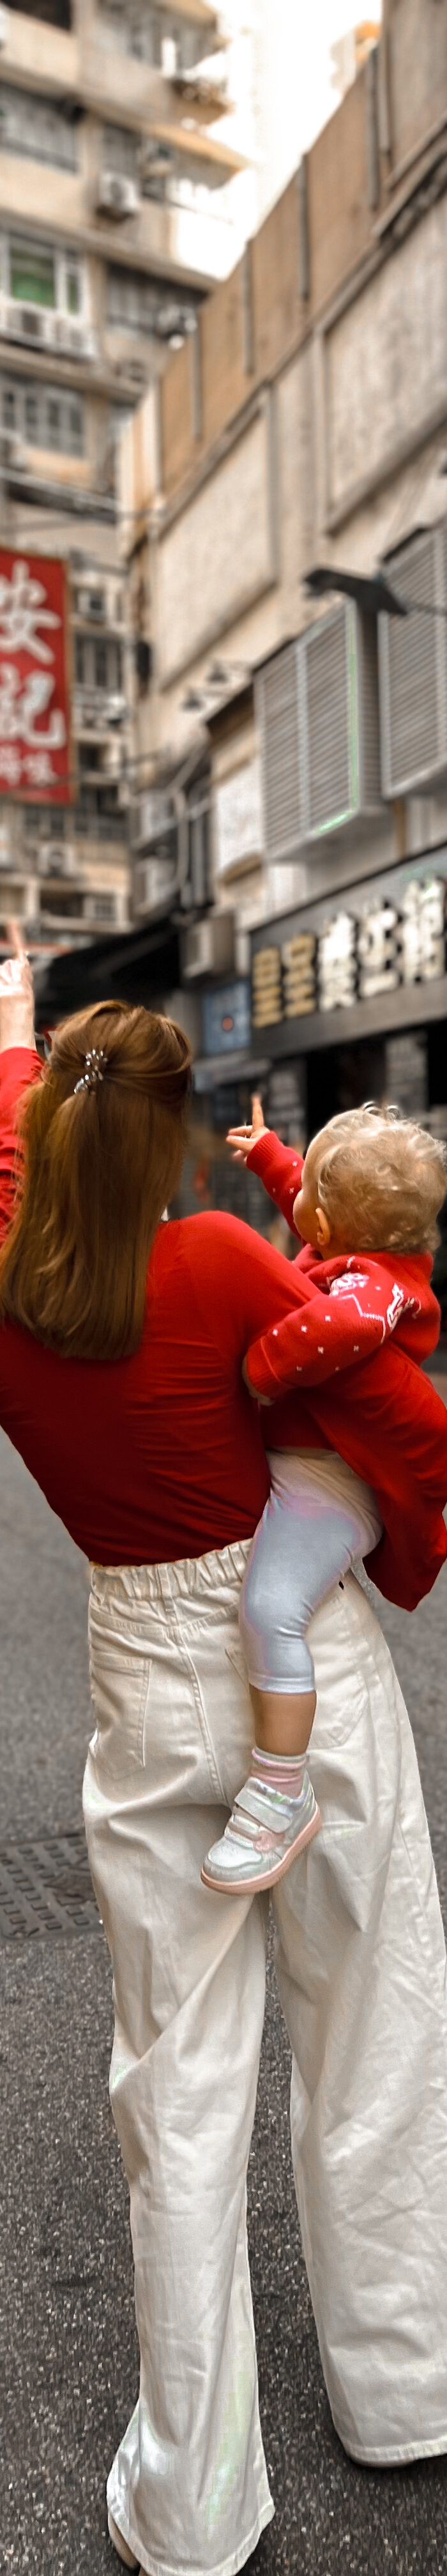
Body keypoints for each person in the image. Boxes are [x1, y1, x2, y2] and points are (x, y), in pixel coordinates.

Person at [2, 940, 447, 2576]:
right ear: (183, 1135)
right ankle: (402, 2392)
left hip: (138, 1668)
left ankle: (190, 2504)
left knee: (174, 2089)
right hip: (298, 1667)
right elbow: (389, 1400)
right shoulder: (221, 1262)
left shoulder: (17, 1298)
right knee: (375, 2025)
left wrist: (14, 1037)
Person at [202, 1098, 447, 1895]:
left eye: (306, 1189)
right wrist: (274, 1157)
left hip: (332, 1478)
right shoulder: (355, 1250)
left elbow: (341, 1325)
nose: (295, 1199)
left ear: (336, 1230)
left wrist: (264, 1365)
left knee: (271, 1608)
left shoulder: (376, 1290)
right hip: (308, 1460)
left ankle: (281, 1791)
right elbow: (310, 1228)